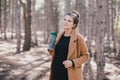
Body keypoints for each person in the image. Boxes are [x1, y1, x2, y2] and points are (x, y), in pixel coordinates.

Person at [48, 11, 90, 80]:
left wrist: (72, 62)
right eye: (65, 19)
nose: (66, 22)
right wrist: (50, 46)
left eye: (69, 21)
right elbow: (54, 54)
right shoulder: (59, 36)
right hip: (55, 73)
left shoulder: (78, 38)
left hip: (69, 75)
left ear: (74, 25)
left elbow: (86, 56)